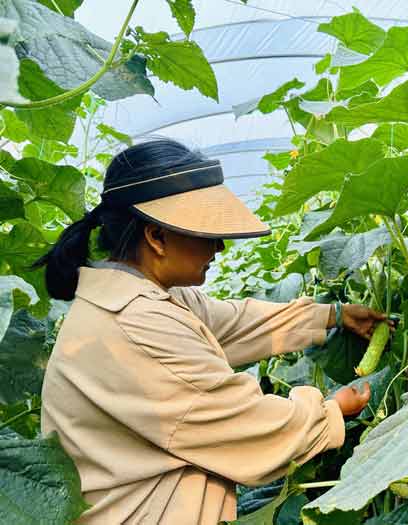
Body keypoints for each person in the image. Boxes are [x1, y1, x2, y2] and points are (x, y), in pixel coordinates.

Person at [35, 139, 388, 524]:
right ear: (157, 237)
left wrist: (333, 315)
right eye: (206, 233)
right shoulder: (137, 324)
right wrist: (330, 411)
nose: (219, 246)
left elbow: (236, 323)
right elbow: (248, 426)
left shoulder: (141, 298)